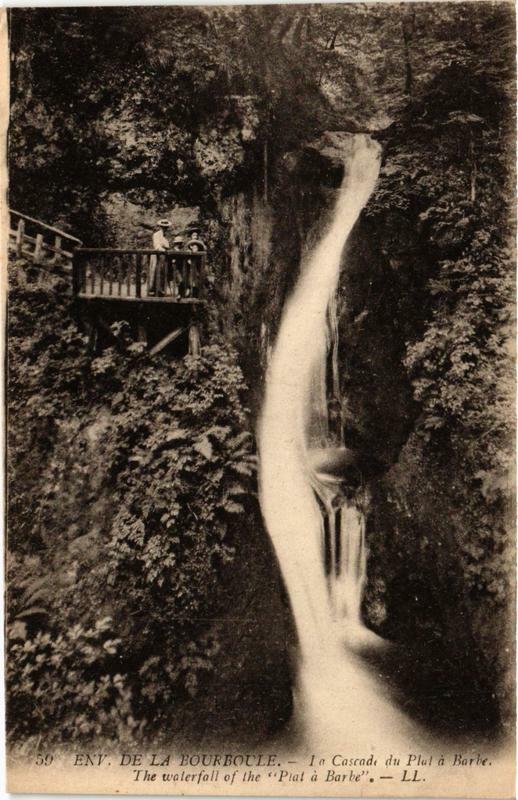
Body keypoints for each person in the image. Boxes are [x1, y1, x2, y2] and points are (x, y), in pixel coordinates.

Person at [149, 219, 170, 296]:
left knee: (162, 272)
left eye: (166, 227)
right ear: (160, 227)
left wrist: (166, 249)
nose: (165, 228)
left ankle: (160, 290)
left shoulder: (165, 237)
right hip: (157, 256)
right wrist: (163, 249)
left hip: (163, 257)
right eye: (163, 227)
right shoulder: (156, 235)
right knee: (155, 272)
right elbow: (157, 245)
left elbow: (167, 246)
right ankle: (152, 290)